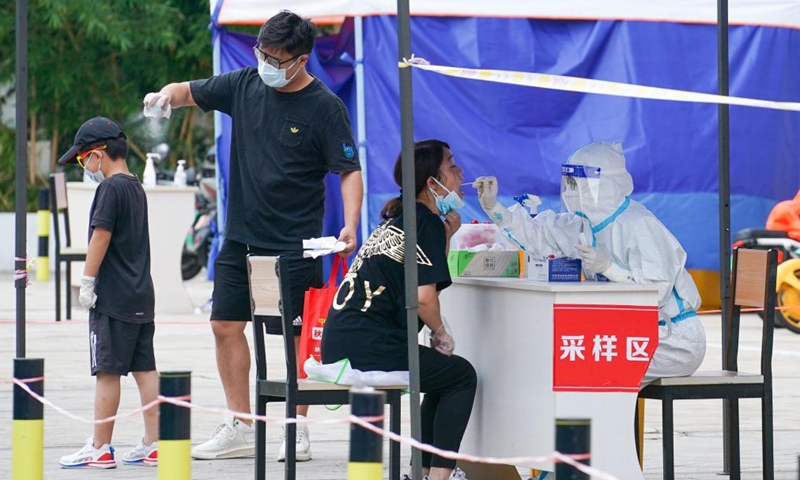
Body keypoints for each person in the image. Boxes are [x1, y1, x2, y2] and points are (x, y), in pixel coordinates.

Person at [142, 10, 363, 461]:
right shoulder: (244, 83)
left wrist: (352, 223)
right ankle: (240, 423)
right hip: (240, 235)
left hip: (294, 243)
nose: (266, 64)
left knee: (292, 337)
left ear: (301, 60)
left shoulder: (324, 107)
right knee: (225, 324)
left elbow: (349, 171)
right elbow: (188, 91)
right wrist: (164, 96)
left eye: (277, 59)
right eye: (262, 52)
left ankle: (296, 428)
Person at [474, 141, 706, 383]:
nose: (571, 190)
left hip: (672, 339)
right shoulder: (582, 224)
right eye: (570, 182)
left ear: (604, 184)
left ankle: (598, 421)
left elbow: (656, 291)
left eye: (578, 183)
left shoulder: (638, 224)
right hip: (631, 333)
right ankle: (594, 419)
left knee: (585, 369)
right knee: (562, 359)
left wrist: (610, 269)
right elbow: (538, 234)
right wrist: (494, 207)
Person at [321, 140, 477, 480]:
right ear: (431, 182)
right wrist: (441, 332)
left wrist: (446, 235)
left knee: (442, 376)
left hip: (342, 341)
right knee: (461, 376)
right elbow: (423, 298)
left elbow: (422, 274)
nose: (461, 172)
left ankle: (421, 473)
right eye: (452, 166)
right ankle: (439, 476)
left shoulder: (404, 218)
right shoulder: (423, 222)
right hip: (368, 346)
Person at [56, 117, 159, 468]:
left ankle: (101, 445)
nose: (85, 168)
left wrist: (86, 280)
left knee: (108, 371)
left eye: (84, 160)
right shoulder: (135, 186)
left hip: (113, 298)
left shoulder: (110, 188)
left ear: (99, 154)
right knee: (145, 369)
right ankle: (155, 440)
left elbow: (101, 236)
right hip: (141, 295)